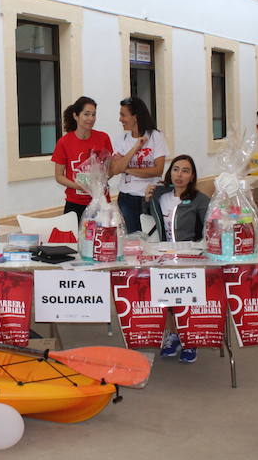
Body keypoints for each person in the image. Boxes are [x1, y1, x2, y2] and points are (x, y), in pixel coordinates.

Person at [143, 155, 210, 363]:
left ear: (192, 176)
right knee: (168, 298)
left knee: (188, 297)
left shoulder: (200, 200)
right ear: (169, 172)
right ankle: (173, 335)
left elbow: (208, 228)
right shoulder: (159, 195)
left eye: (185, 171)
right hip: (163, 255)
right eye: (176, 169)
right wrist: (146, 200)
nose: (179, 175)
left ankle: (190, 339)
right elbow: (146, 219)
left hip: (190, 257)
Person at [110, 97, 167, 234]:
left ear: (135, 117)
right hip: (126, 198)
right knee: (132, 240)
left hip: (149, 197)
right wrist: (135, 148)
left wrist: (127, 168)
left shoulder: (155, 136)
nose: (120, 119)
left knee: (153, 237)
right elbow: (115, 169)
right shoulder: (121, 140)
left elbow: (158, 170)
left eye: (123, 115)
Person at [51, 96, 113, 220]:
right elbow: (59, 176)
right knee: (74, 239)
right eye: (86, 114)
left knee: (102, 238)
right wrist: (80, 186)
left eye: (94, 114)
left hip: (101, 202)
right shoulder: (64, 142)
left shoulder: (103, 138)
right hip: (75, 204)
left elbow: (109, 169)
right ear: (76, 116)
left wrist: (99, 181)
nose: (91, 118)